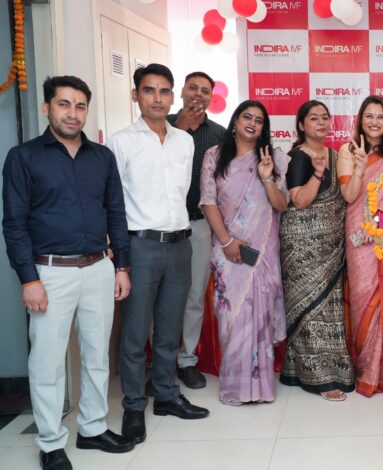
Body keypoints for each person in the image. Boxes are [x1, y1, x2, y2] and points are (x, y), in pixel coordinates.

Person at [2, 76, 135, 470]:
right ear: (47, 108)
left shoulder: (102, 157)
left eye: (80, 106)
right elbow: (14, 224)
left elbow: (116, 213)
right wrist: (29, 279)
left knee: (97, 356)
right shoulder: (24, 157)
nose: (72, 113)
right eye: (64, 104)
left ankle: (92, 428)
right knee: (47, 361)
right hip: (49, 272)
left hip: (98, 268)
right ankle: (50, 442)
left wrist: (121, 266)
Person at [107, 64, 210, 445]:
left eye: (164, 91)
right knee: (136, 333)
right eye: (149, 90)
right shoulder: (121, 142)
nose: (157, 98)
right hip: (141, 245)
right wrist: (119, 256)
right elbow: (112, 202)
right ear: (136, 95)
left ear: (172, 96)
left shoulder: (184, 142)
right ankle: (134, 405)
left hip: (180, 243)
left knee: (169, 329)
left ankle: (166, 395)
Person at [199, 100, 288, 405]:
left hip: (262, 251)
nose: (252, 123)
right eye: (246, 117)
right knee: (231, 316)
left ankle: (260, 388)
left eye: (259, 120)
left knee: (260, 314)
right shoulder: (214, 156)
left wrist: (267, 177)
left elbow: (281, 205)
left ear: (264, 128)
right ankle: (235, 387)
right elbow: (208, 201)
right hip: (228, 250)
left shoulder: (272, 157)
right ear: (235, 121)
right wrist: (227, 242)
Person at [279, 100, 355, 401]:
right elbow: (299, 201)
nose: (321, 123)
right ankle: (319, 376)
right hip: (303, 246)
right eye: (314, 118)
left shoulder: (336, 155)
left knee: (329, 308)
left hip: (331, 245)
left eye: (325, 117)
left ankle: (306, 369)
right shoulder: (298, 156)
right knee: (310, 309)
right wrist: (318, 173)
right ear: (301, 125)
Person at [336, 96, 383, 397]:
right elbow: (349, 196)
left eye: (381, 117)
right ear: (360, 120)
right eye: (369, 116)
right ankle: (368, 370)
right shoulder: (348, 150)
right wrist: (358, 167)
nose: (375, 122)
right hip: (359, 235)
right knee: (364, 296)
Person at [168, 71, 227, 390]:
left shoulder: (218, 134)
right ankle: (162, 363)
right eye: (193, 88)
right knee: (163, 297)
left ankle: (187, 360)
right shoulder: (162, 126)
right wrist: (177, 130)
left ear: (211, 98)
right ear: (181, 91)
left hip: (200, 223)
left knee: (194, 296)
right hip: (162, 226)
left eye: (205, 90)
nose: (198, 94)